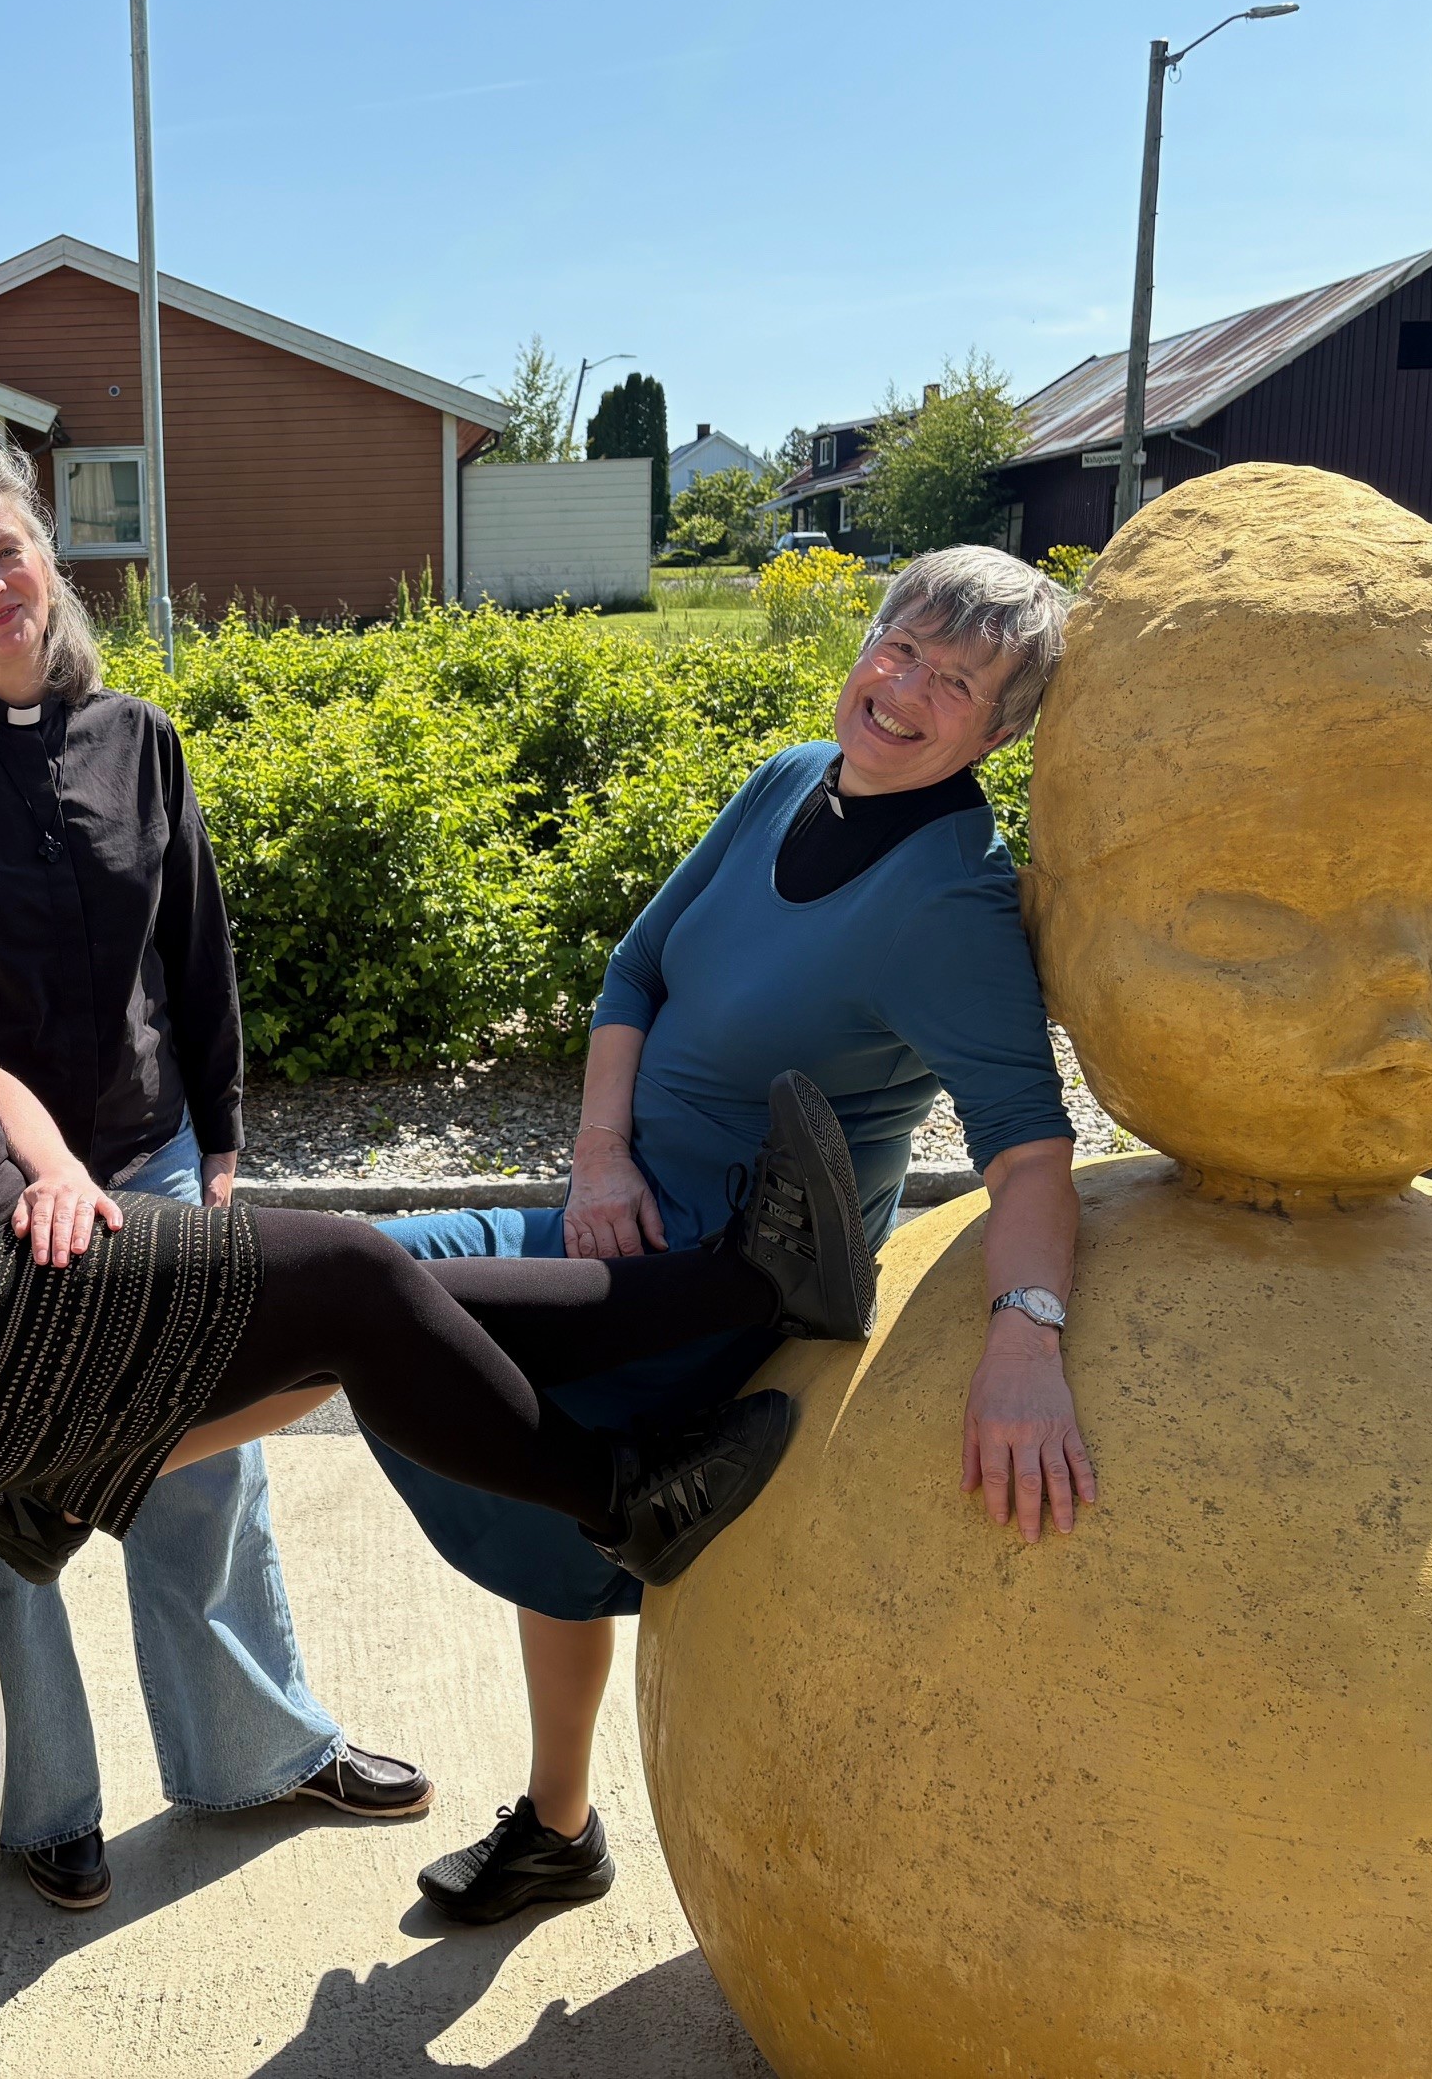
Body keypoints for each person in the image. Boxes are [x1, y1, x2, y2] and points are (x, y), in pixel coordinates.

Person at [0, 672, 882, 1760]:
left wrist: (58, 1166)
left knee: (395, 1286)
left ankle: (748, 1288)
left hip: (29, 1253)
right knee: (354, 1277)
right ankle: (631, 1499)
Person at [377, 545, 1086, 1927]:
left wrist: (1029, 1335)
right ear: (864, 640)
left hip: (720, 1282)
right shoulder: (782, 783)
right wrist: (594, 1154)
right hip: (609, 1221)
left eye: (958, 681)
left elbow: (1033, 1154)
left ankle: (72, 1463)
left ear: (1000, 733)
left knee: (365, 1292)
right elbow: (634, 969)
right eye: (899, 646)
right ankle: (565, 1805)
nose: (907, 688)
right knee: (394, 1336)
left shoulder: (953, 902)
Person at [0, 437, 426, 1912]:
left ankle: (252, 1754)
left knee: (213, 1475)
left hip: (151, 1155)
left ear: (51, 561)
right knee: (6, 1495)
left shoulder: (141, 737)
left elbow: (194, 946)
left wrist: (225, 1144)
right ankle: (44, 1804)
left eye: (8, 555)